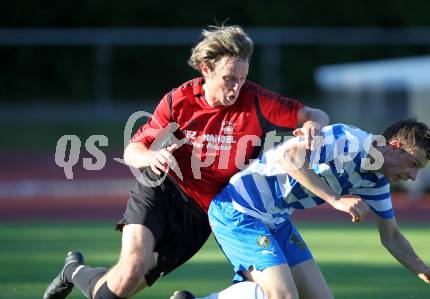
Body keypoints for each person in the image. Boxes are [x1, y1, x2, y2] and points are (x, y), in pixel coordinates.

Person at [43, 25, 329, 299]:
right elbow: (133, 150)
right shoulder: (180, 100)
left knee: (120, 287)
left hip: (203, 215)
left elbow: (315, 115)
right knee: (131, 268)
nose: (236, 87)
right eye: (229, 78)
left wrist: (313, 127)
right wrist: (152, 155)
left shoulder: (256, 100)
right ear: (206, 70)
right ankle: (78, 272)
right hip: (163, 191)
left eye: (242, 78)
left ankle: (74, 271)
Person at [172, 119, 430, 299]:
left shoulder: (376, 181)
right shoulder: (347, 140)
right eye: (413, 164)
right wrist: (335, 199)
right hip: (240, 208)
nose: (413, 177)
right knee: (283, 295)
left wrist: (422, 270)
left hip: (275, 221)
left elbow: (390, 235)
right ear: (394, 147)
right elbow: (289, 158)